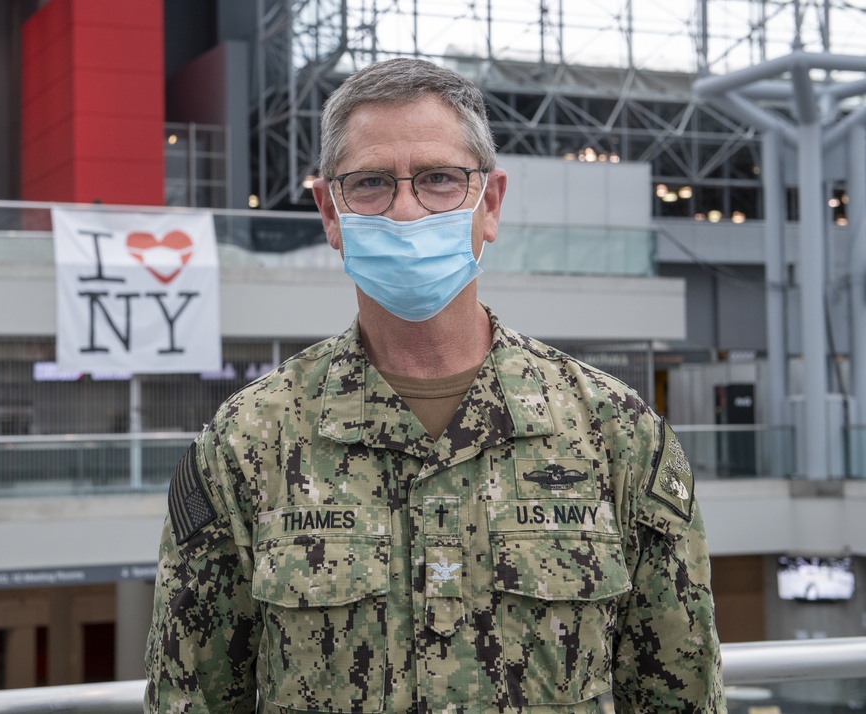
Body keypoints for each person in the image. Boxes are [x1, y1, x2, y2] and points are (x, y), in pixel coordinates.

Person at [145, 57, 726, 713]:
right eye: (368, 184)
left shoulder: (617, 436)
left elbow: (679, 692)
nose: (405, 210)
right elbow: (192, 697)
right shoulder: (245, 445)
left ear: (491, 203)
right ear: (330, 213)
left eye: (440, 180)